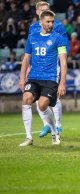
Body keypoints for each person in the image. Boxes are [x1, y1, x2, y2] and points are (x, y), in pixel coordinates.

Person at [18, 10, 67, 146]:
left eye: (52, 22)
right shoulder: (32, 37)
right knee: (26, 98)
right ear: (41, 22)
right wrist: (22, 78)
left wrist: (62, 82)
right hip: (34, 77)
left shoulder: (59, 38)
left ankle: (53, 131)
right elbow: (26, 59)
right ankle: (28, 137)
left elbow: (63, 62)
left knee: (42, 104)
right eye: (48, 21)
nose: (51, 24)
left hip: (50, 78)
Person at [28, 1, 70, 138]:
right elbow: (32, 49)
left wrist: (60, 59)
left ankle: (58, 125)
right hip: (37, 66)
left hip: (53, 64)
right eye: (42, 10)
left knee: (53, 96)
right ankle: (47, 123)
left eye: (47, 9)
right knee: (37, 96)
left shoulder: (57, 25)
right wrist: (30, 65)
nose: (46, 12)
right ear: (37, 12)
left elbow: (64, 45)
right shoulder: (33, 28)